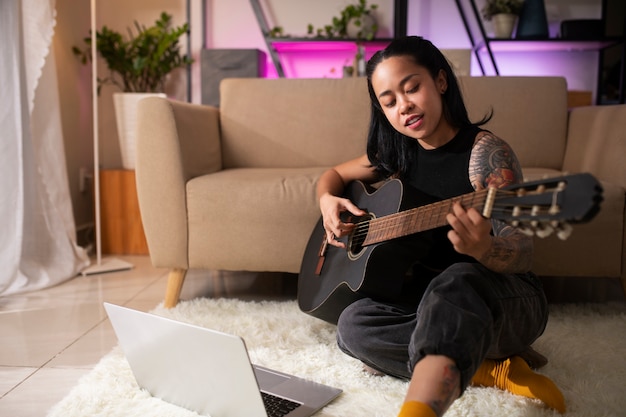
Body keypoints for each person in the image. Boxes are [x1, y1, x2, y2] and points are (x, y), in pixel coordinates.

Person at [315, 36, 565, 417]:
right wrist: (327, 201)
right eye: (389, 101)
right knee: (352, 325)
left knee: (458, 278)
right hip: (432, 303)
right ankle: (489, 368)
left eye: (412, 87)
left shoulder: (485, 155)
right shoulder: (394, 152)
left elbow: (523, 251)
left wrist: (484, 250)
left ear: (441, 81)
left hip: (504, 298)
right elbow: (331, 175)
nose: (404, 106)